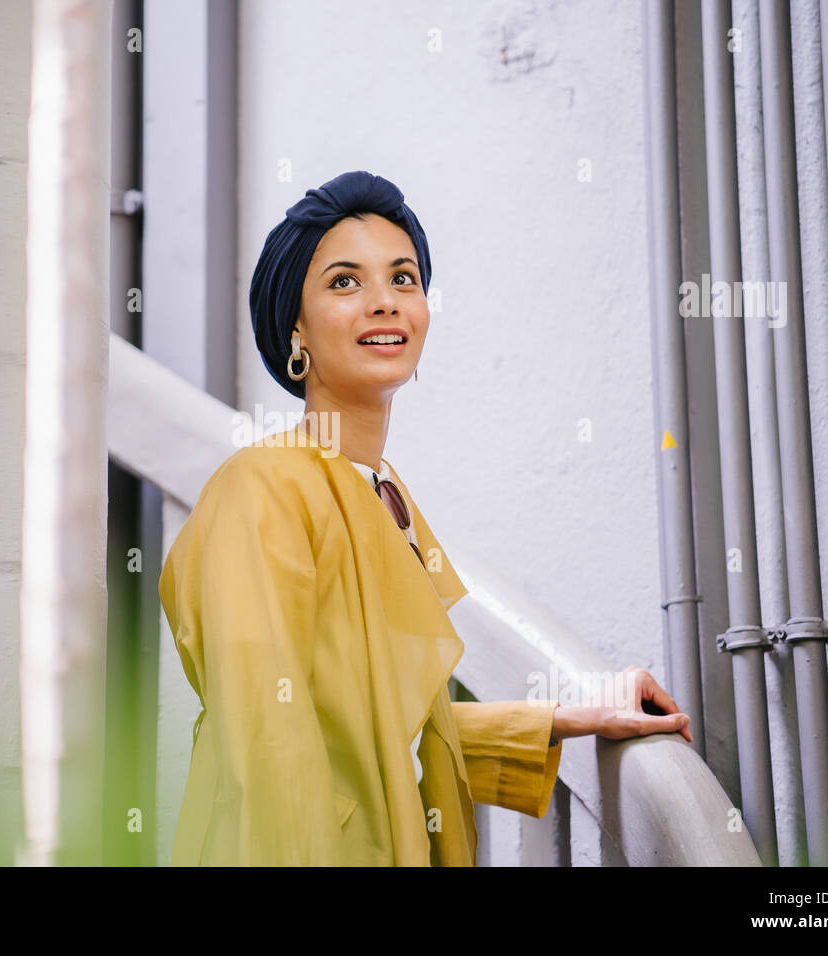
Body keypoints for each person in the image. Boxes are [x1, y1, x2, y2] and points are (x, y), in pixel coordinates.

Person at [157, 170, 692, 866]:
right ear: (296, 327)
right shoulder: (262, 489)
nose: (385, 302)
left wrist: (575, 716)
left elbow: (388, 728)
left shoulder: (383, 496)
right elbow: (267, 744)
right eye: (345, 282)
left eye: (403, 278)